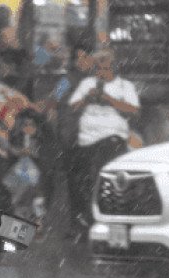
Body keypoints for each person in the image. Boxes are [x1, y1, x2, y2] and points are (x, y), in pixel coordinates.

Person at [68, 48, 139, 236]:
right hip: (86, 141)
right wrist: (86, 98)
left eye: (106, 68)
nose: (102, 73)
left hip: (112, 137)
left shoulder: (125, 86)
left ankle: (102, 218)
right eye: (99, 68)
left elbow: (133, 111)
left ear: (114, 68)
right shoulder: (87, 83)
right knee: (78, 174)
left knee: (101, 167)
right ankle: (86, 219)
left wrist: (110, 100)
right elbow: (73, 107)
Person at [49, 42, 94, 237]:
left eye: (85, 57)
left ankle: (89, 223)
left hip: (92, 139)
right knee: (75, 183)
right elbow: (53, 102)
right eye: (79, 58)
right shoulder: (67, 79)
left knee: (89, 182)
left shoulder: (97, 80)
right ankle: (77, 224)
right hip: (71, 139)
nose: (82, 62)